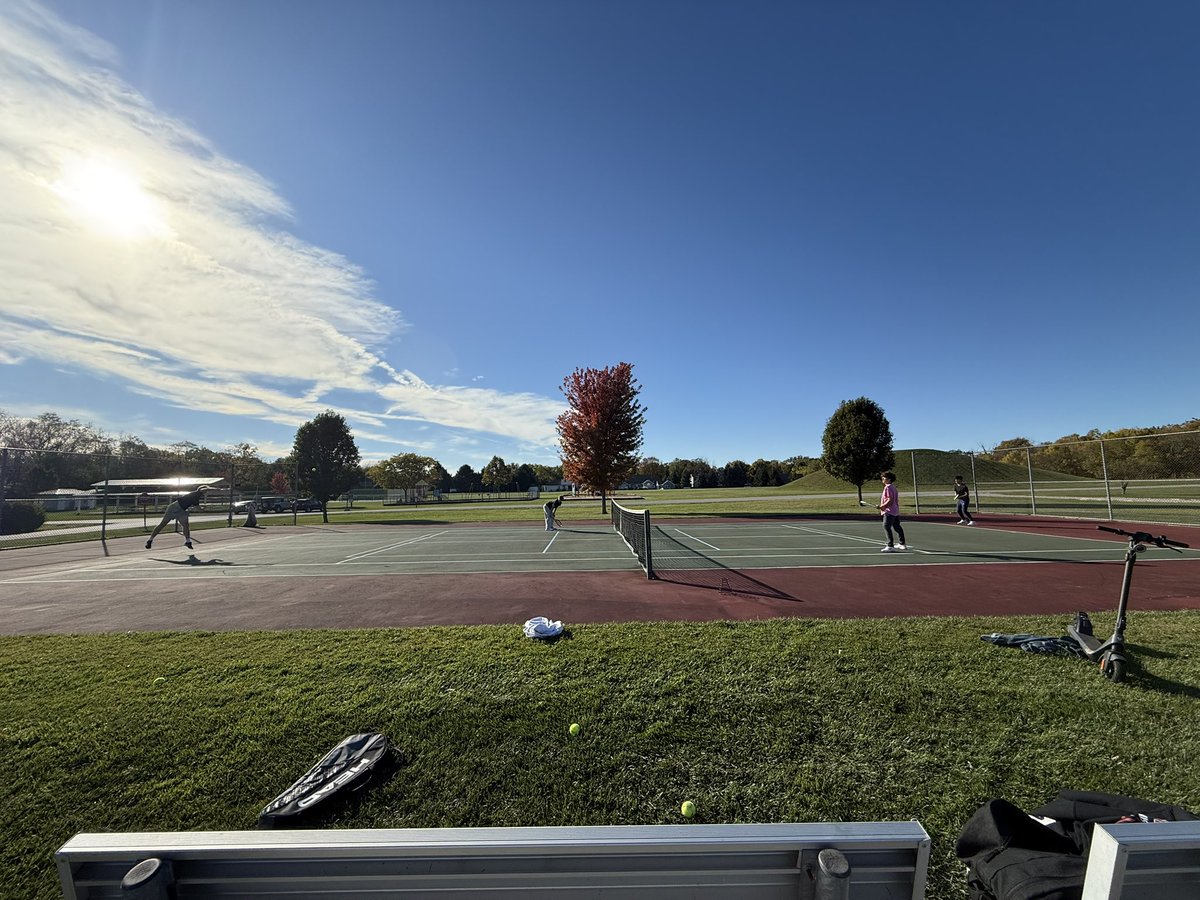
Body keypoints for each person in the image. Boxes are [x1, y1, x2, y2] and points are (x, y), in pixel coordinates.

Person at [146, 484, 211, 550]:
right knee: (162, 524)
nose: (206, 492)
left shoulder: (196, 498)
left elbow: (199, 509)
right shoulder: (195, 494)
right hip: (173, 508)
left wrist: (203, 508)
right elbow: (202, 489)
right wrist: (212, 488)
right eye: (206, 490)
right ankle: (150, 540)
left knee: (185, 525)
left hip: (181, 510)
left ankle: (188, 542)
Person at [875, 471, 908, 552]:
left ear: (889, 479)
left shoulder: (888, 487)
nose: (882, 479)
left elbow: (890, 500)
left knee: (886, 526)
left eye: (884, 477)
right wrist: (882, 506)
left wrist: (883, 506)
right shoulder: (892, 487)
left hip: (889, 511)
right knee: (897, 527)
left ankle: (890, 545)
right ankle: (902, 543)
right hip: (895, 511)